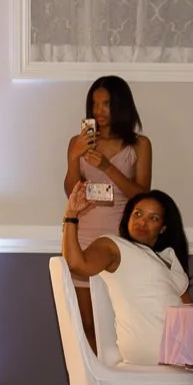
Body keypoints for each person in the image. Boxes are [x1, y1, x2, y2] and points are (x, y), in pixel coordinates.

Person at [61, 183, 193, 367]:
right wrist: (71, 216)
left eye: (152, 218)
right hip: (154, 349)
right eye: (137, 214)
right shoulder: (114, 246)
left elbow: (189, 311)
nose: (142, 221)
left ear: (163, 227)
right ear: (128, 217)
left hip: (180, 348)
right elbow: (76, 264)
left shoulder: (168, 258)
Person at [63, 76, 152, 341]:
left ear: (121, 106)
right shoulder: (77, 142)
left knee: (120, 324)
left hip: (121, 237)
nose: (98, 111)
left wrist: (107, 167)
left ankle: (119, 380)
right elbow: (71, 191)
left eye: (106, 104)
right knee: (87, 325)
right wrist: (73, 157)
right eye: (94, 104)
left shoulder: (139, 145)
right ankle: (92, 381)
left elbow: (142, 195)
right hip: (84, 234)